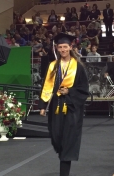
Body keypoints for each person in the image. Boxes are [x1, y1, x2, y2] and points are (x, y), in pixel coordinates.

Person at [39, 33, 89, 176]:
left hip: (72, 109)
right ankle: (63, 156)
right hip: (56, 107)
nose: (63, 50)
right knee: (56, 138)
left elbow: (84, 89)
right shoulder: (53, 66)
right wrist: (43, 105)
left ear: (70, 47)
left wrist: (70, 91)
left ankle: (64, 172)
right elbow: (46, 86)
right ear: (57, 48)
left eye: (65, 47)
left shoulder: (78, 67)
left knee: (68, 142)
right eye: (60, 47)